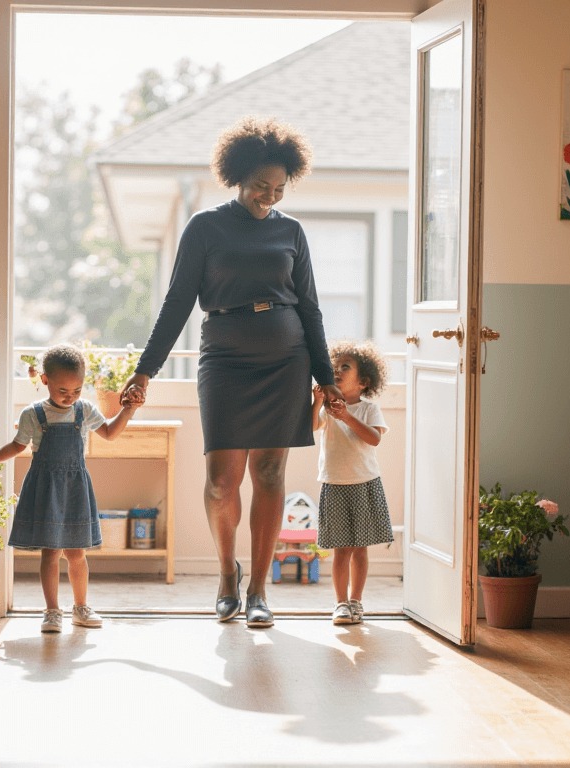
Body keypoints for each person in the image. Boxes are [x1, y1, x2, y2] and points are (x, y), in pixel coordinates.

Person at [122, 116, 344, 628]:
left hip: (286, 360)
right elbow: (178, 302)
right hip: (223, 359)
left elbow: (309, 308)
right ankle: (228, 574)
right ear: (236, 177)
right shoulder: (205, 227)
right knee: (223, 482)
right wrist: (145, 371)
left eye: (279, 189)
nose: (270, 197)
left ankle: (261, 591)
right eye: (261, 186)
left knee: (269, 474)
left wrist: (326, 377)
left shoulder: (292, 232)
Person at [0, 344, 142, 632]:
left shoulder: (84, 410)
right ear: (45, 381)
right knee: (50, 553)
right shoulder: (33, 414)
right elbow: (17, 446)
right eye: (63, 391)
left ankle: (81, 607)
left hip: (75, 488)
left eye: (77, 391)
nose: (70, 397)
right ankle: (52, 611)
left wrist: (129, 409)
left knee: (77, 553)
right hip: (46, 489)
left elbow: (111, 433)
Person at [312, 340, 392, 626]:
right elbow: (311, 427)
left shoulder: (368, 409)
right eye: (335, 366)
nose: (337, 370)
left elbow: (374, 438)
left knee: (360, 549)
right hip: (334, 483)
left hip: (364, 483)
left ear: (363, 381)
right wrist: (318, 402)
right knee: (341, 550)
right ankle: (340, 604)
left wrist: (346, 416)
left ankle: (356, 601)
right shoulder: (328, 409)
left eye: (345, 367)